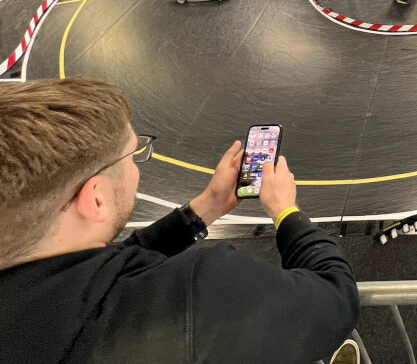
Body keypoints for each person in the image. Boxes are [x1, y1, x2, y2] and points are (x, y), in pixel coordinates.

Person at [0, 78, 360, 364]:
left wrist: (204, 209)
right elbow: (336, 297)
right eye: (133, 155)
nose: (136, 167)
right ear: (96, 198)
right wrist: (285, 211)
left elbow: (99, 272)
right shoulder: (200, 290)